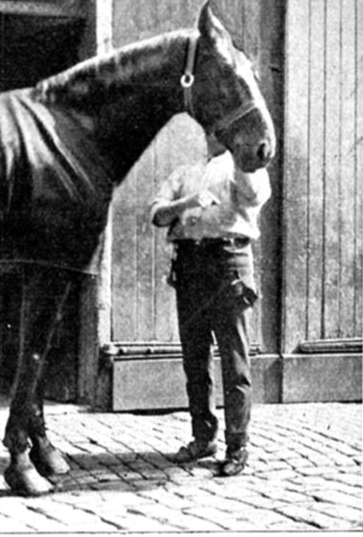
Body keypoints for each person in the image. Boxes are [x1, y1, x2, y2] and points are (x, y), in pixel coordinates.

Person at [149, 129, 271, 477]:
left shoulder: (242, 167)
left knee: (234, 360)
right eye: (209, 126)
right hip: (189, 266)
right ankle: (203, 437)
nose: (213, 133)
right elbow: (157, 214)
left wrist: (245, 161)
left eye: (221, 128)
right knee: (194, 358)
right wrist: (186, 203)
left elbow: (255, 195)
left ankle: (238, 445)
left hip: (228, 262)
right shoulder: (186, 172)